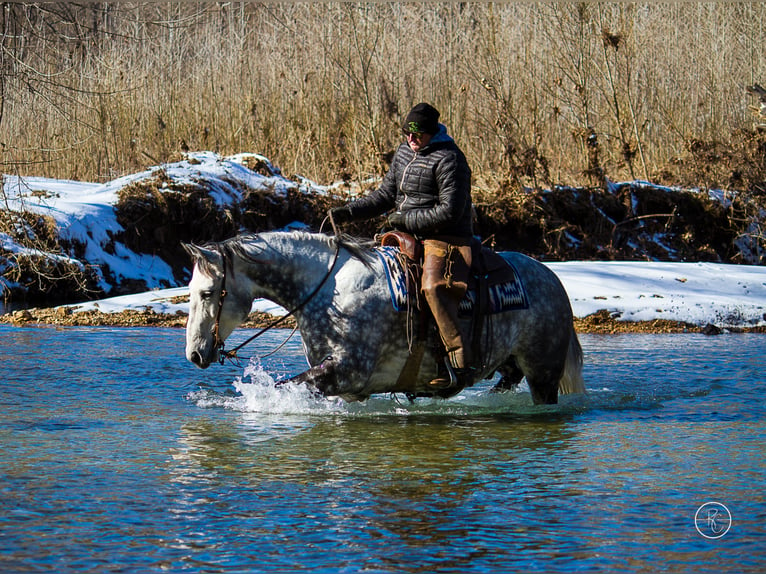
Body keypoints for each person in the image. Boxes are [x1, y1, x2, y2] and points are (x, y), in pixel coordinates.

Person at [330, 102, 474, 389]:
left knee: (431, 287)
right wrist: (349, 211)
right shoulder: (404, 152)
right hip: (405, 233)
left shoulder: (450, 159)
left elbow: (449, 212)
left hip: (444, 237)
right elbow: (385, 195)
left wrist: (406, 219)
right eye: (407, 133)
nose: (411, 139)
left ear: (433, 133)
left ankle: (458, 362)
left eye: (417, 134)